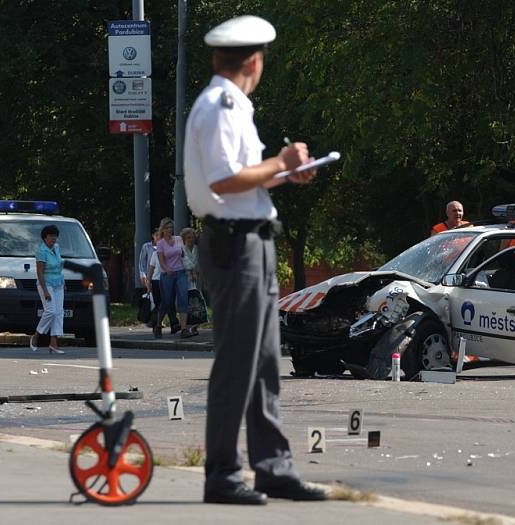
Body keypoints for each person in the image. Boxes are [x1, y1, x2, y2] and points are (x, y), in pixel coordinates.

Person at [183, 15, 328, 505]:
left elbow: (240, 178)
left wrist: (286, 176)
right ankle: (222, 474)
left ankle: (273, 468)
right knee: (238, 362)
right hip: (235, 243)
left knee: (264, 362)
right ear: (255, 61)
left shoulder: (230, 104)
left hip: (249, 239)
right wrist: (283, 163)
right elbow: (225, 181)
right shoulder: (222, 105)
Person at [29, 225, 65, 355]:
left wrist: (63, 282)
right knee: (50, 311)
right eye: (51, 236)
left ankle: (53, 344)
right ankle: (36, 335)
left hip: (58, 284)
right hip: (46, 284)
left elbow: (59, 266)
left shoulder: (57, 248)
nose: (53, 238)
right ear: (45, 237)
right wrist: (45, 291)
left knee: (59, 312)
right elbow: (40, 272)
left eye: (55, 236)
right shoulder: (41, 251)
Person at [156, 218, 191, 338]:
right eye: (167, 228)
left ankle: (183, 329)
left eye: (171, 227)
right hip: (168, 275)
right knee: (167, 302)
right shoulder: (160, 243)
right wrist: (167, 270)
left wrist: (182, 253)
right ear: (163, 230)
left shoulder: (178, 239)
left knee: (183, 299)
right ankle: (158, 324)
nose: (170, 230)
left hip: (180, 272)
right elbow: (161, 261)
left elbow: (183, 254)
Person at [181, 227, 201, 336]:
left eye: (192, 237)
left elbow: (198, 262)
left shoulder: (197, 249)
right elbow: (185, 263)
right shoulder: (182, 249)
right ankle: (186, 327)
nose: (190, 239)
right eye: (188, 237)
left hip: (197, 278)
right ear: (184, 238)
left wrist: (195, 271)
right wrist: (192, 270)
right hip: (186, 279)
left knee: (198, 303)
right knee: (188, 303)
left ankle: (195, 326)